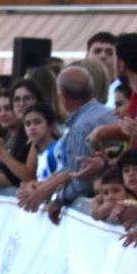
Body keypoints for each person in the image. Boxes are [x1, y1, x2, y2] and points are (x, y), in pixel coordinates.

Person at [18, 66, 115, 217]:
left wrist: (58, 197)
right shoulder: (106, 113)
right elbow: (70, 170)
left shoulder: (81, 127)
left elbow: (80, 180)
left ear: (62, 95)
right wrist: (45, 187)